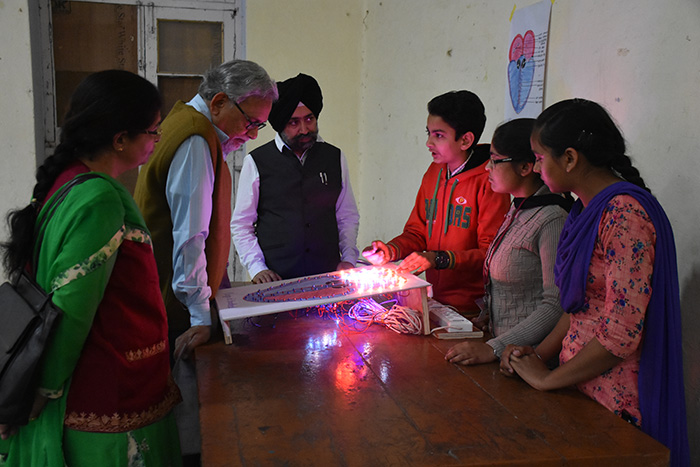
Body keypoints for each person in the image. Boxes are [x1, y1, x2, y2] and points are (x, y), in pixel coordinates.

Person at [0, 70, 181, 465]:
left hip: (100, 378)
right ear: (120, 139)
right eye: (153, 131)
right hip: (103, 392)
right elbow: (72, 307)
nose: (156, 140)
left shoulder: (67, 179)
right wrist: (43, 389)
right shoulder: (99, 199)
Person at [500, 99, 689, 466]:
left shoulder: (624, 216)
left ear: (570, 158)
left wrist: (547, 379)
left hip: (613, 396)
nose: (535, 168)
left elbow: (620, 334)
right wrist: (536, 358)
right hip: (578, 382)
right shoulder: (584, 209)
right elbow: (579, 306)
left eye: (539, 158)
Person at [134, 59, 278, 358]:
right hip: (176, 308)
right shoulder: (195, 141)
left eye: (259, 126)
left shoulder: (185, 122)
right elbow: (190, 236)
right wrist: (200, 317)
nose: (252, 135)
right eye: (250, 123)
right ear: (219, 102)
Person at [363, 90, 510, 316]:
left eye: (439, 135)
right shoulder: (434, 172)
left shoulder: (489, 182)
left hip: (473, 309)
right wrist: (390, 250)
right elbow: (417, 232)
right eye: (429, 133)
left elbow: (491, 254)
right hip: (435, 301)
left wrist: (439, 259)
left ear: (465, 140)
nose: (428, 143)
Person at [444, 118, 570, 366]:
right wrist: (489, 316)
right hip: (503, 351)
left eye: (495, 160)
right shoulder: (519, 207)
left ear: (525, 167)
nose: (487, 168)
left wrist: (492, 348)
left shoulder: (552, 218)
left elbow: (555, 306)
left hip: (530, 360)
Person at [231, 73, 360, 283]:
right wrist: (257, 269)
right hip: (276, 281)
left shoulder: (334, 157)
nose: (304, 129)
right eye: (293, 122)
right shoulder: (256, 162)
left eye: (309, 119)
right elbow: (242, 224)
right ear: (280, 124)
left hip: (329, 278)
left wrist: (348, 259)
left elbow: (346, 216)